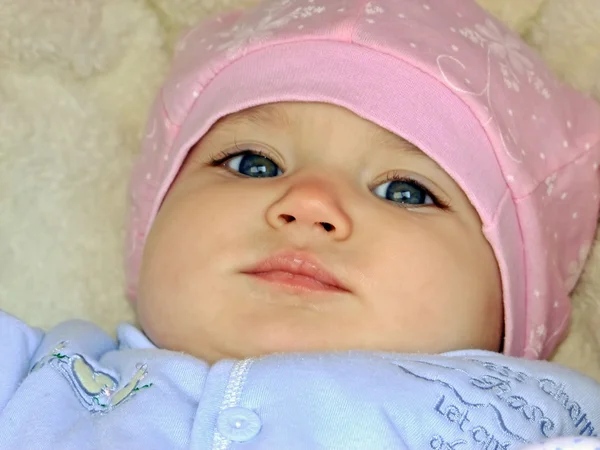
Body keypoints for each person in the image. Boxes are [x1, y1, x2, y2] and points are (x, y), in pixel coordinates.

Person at [2, 0, 600, 448]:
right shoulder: (43, 375)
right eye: (253, 163)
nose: (308, 202)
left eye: (405, 191)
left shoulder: (538, 419)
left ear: (512, 316)